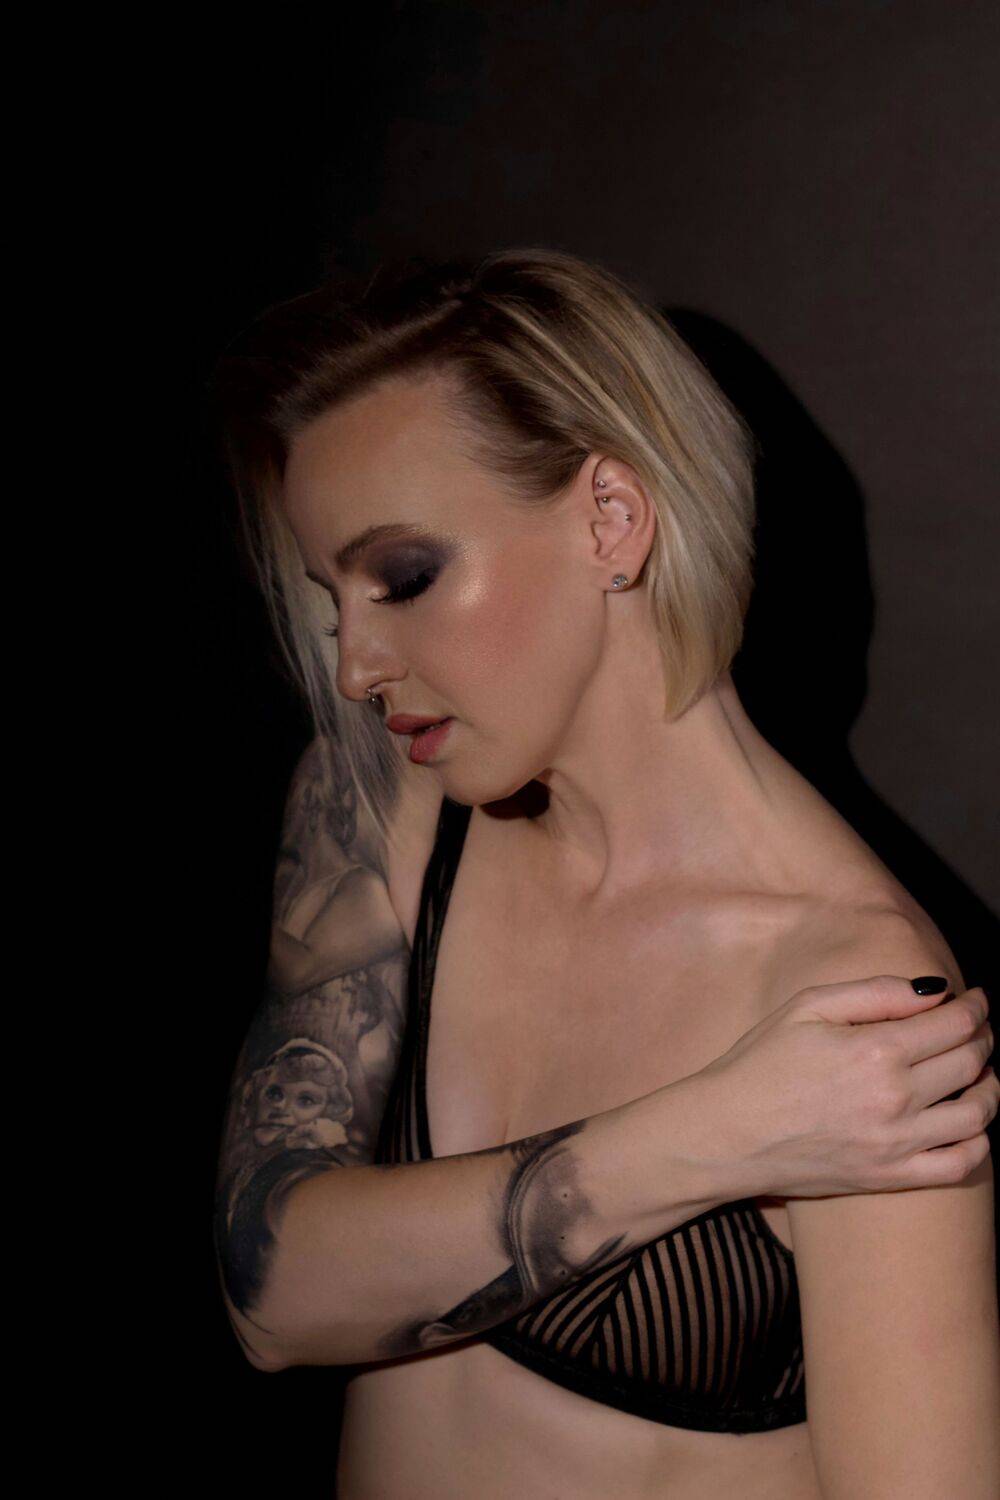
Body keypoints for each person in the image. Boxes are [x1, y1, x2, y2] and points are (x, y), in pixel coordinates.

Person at [210, 248, 999, 1499]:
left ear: (611, 520)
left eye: (402, 578)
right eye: (334, 596)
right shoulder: (379, 805)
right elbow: (272, 1296)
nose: (356, 665)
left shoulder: (860, 1004)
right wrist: (717, 1134)